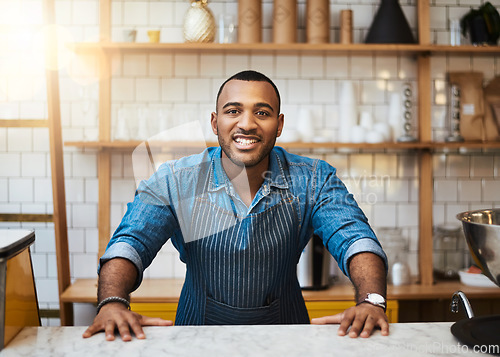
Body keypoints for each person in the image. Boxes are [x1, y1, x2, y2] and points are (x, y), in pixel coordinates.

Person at [83, 70, 389, 342]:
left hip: (288, 341)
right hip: (195, 339)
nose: (247, 124)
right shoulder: (175, 179)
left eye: (262, 113)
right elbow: (131, 242)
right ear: (215, 123)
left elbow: (355, 237)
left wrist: (372, 301)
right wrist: (112, 302)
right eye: (233, 111)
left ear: (279, 125)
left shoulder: (313, 178)